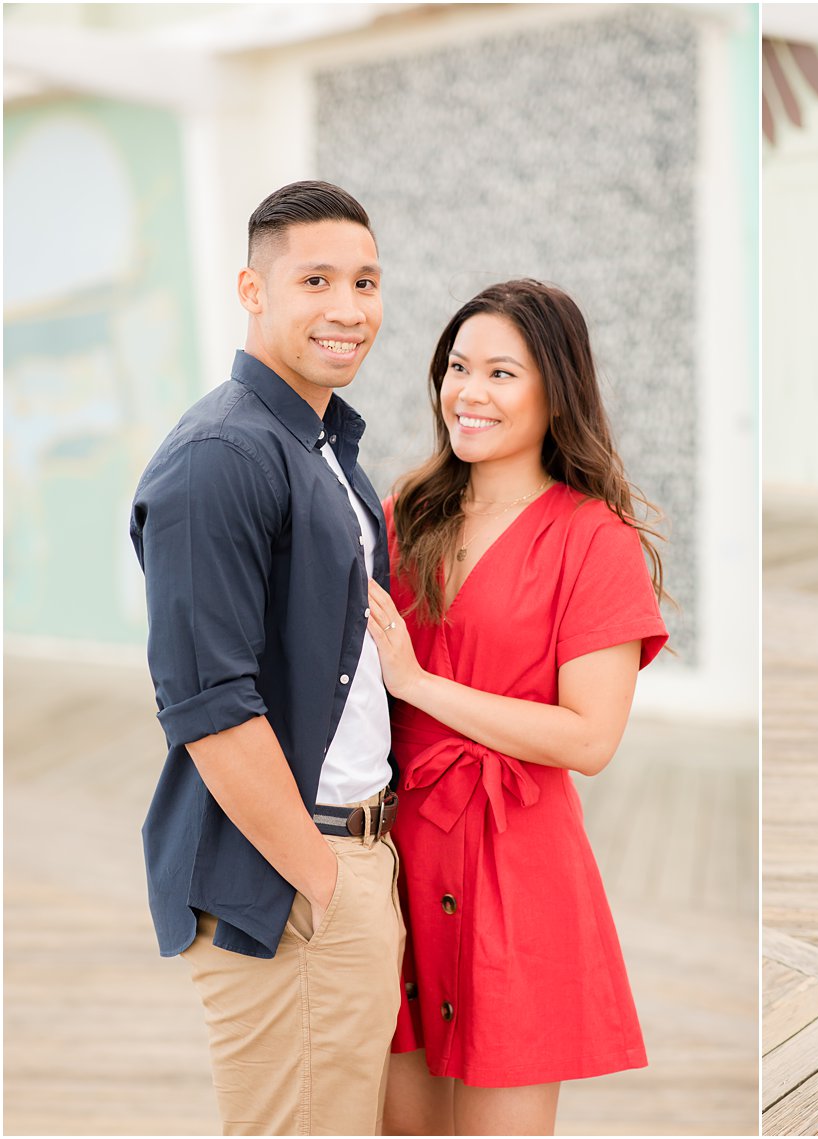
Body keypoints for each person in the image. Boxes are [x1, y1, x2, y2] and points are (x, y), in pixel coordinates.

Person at [130, 181, 403, 1135]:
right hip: (294, 875)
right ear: (253, 289)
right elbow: (209, 704)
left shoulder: (323, 445)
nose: (347, 307)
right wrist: (320, 883)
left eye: (365, 281)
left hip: (350, 857)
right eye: (316, 279)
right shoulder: (220, 456)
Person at [366, 280, 669, 1136]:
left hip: (516, 871)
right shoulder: (400, 516)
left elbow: (590, 736)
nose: (469, 392)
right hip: (398, 858)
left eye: (502, 372)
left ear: (555, 390)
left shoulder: (593, 539)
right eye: (459, 367)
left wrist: (419, 685)